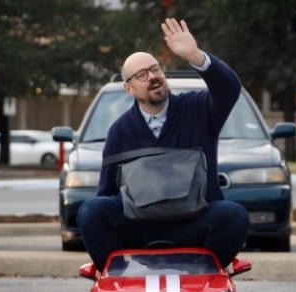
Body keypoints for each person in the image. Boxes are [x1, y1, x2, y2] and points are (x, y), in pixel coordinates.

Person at [77, 18, 250, 270]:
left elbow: (229, 89)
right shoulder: (120, 131)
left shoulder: (198, 109)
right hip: (140, 228)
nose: (153, 77)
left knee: (234, 215)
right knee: (91, 211)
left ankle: (204, 273)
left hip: (193, 224)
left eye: (156, 69)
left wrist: (196, 56)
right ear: (129, 88)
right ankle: (113, 277)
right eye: (142, 74)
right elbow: (107, 193)